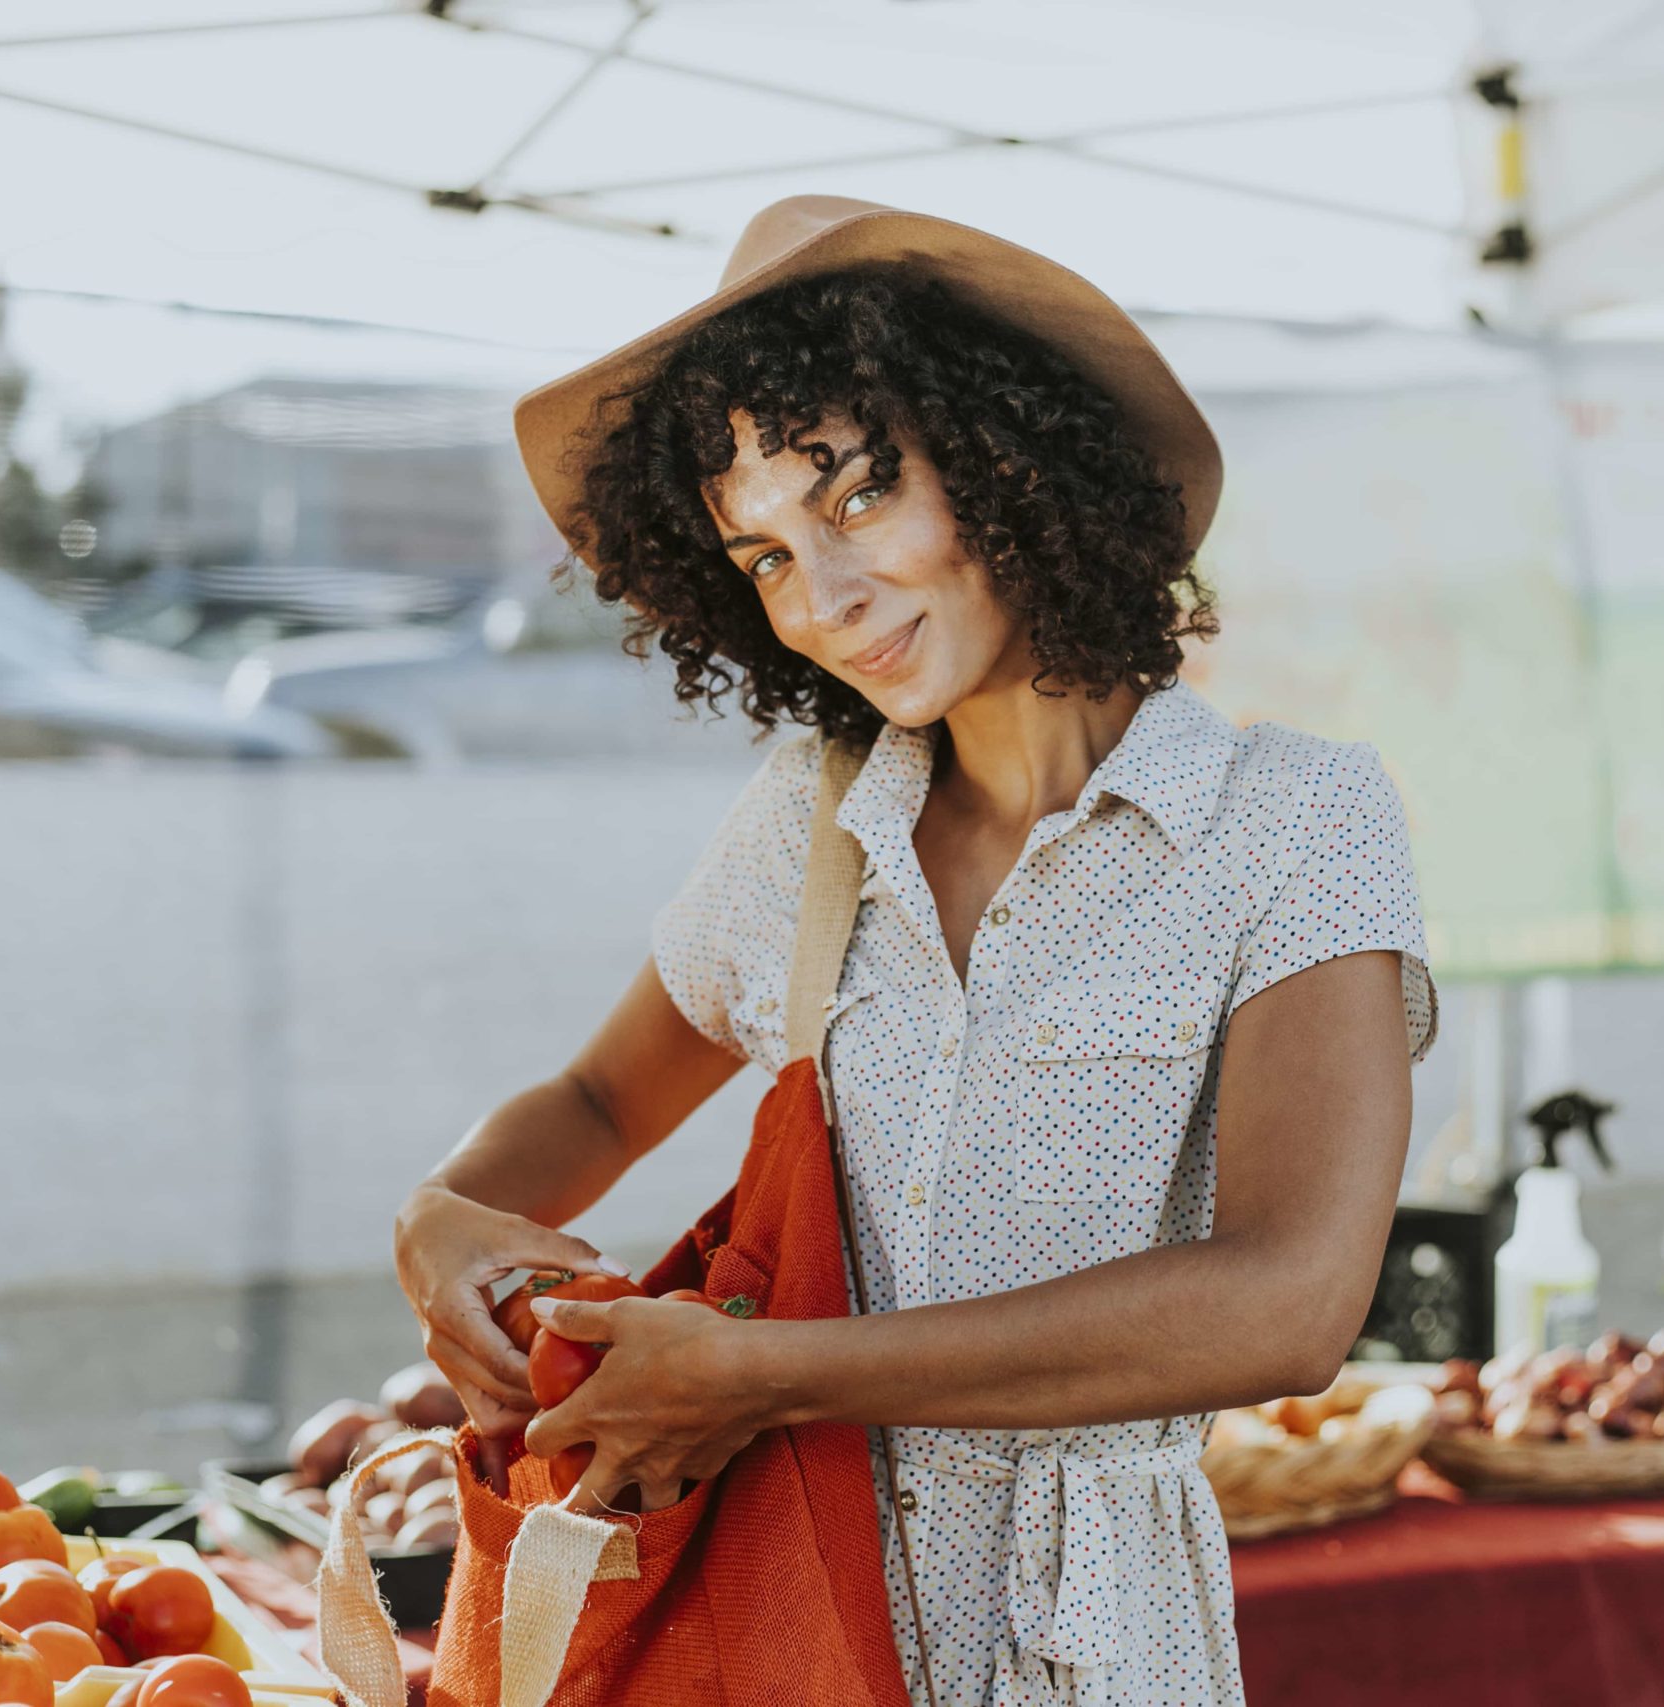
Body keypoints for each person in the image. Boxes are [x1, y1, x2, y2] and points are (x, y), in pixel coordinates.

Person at [394, 196, 1436, 1706]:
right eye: (762, 558)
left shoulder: (1290, 823)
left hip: (1093, 1651)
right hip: (788, 1621)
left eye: (862, 496)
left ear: (1007, 461)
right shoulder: (811, 829)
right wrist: (443, 1216)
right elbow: (604, 1105)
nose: (822, 599)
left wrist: (770, 1378)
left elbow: (1291, 1302)